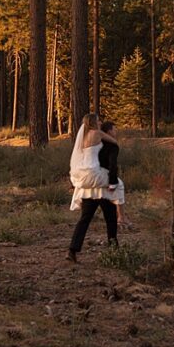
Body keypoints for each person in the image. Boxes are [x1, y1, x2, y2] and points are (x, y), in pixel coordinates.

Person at [67, 113, 119, 263]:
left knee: (85, 219)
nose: (100, 121)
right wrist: (113, 181)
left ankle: (72, 249)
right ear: (93, 123)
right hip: (99, 180)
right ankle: (114, 249)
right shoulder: (99, 134)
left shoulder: (83, 137)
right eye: (98, 120)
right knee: (110, 217)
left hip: (87, 182)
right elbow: (113, 143)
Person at [98, 121, 128, 227]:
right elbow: (112, 164)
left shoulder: (97, 143)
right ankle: (121, 217)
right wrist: (113, 181)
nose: (116, 131)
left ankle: (118, 217)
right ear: (109, 131)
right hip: (103, 173)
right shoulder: (112, 145)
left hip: (91, 172)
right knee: (119, 186)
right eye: (114, 129)